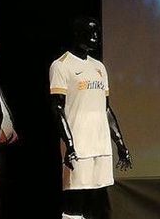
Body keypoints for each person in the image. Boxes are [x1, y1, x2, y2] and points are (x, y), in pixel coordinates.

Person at [49, 16, 132, 219]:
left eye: (97, 32)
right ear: (78, 34)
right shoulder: (61, 66)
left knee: (98, 204)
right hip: (79, 148)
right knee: (74, 204)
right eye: (91, 32)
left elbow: (106, 109)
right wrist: (69, 144)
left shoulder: (99, 68)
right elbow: (57, 108)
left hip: (101, 146)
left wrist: (120, 143)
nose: (95, 37)